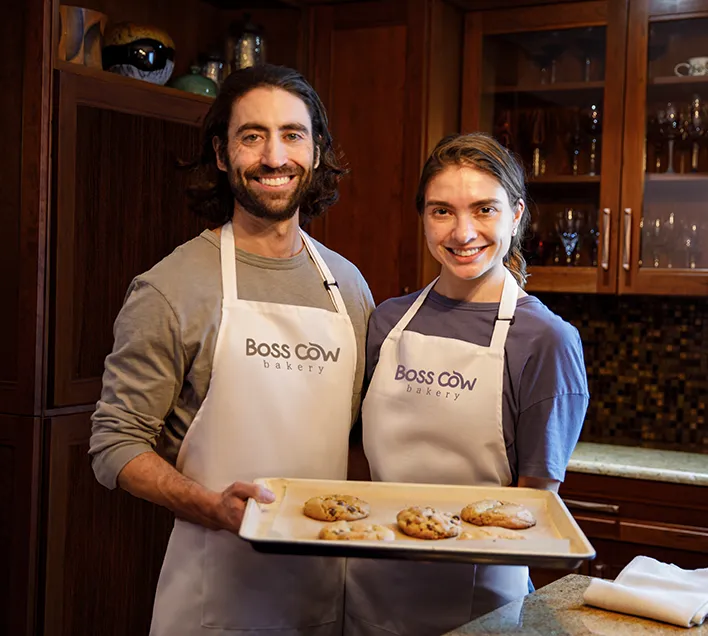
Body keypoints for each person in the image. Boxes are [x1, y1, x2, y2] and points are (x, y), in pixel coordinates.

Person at [89, 64, 374, 636]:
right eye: (253, 136)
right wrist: (212, 508)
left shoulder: (349, 287)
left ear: (315, 152)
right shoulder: (171, 287)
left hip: (326, 593)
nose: (274, 157)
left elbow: (358, 439)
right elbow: (114, 447)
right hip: (213, 598)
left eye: (293, 135)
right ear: (221, 155)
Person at [344, 132, 588, 636]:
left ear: (516, 216)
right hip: (371, 581)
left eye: (484, 209)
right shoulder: (388, 321)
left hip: (478, 600)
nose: (462, 232)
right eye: (441, 211)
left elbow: (534, 504)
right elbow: (355, 461)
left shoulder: (546, 340)